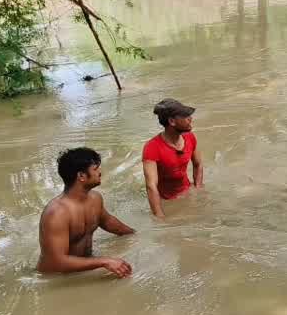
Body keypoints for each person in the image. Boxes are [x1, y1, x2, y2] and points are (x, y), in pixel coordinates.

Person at [37, 147, 135, 277]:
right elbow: (56, 262)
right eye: (95, 169)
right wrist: (104, 261)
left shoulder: (95, 198)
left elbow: (108, 221)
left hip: (83, 270)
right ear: (81, 176)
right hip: (56, 279)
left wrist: (135, 234)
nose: (100, 172)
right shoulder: (57, 213)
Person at [143, 98, 204, 219]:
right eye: (185, 116)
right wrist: (159, 215)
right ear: (172, 121)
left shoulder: (190, 137)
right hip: (166, 200)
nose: (190, 119)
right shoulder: (152, 148)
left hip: (187, 191)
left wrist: (198, 188)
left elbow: (198, 164)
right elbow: (151, 186)